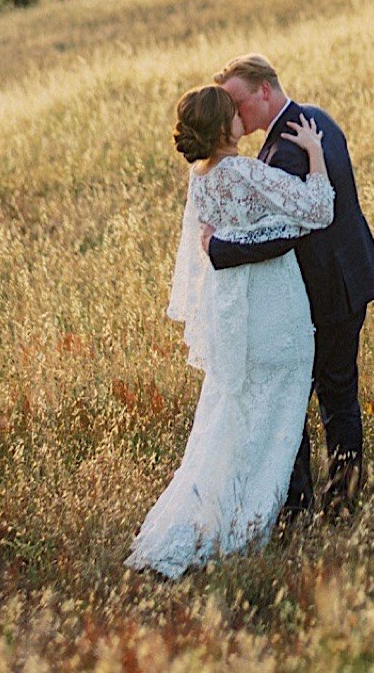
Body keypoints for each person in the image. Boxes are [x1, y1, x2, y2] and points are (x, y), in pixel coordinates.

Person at [126, 84, 334, 579]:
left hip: (232, 312)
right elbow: (318, 208)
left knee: (232, 416)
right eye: (234, 112)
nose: (243, 116)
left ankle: (196, 517)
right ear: (225, 126)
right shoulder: (241, 170)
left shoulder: (200, 180)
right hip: (271, 304)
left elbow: (221, 242)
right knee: (277, 406)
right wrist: (315, 152)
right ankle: (249, 523)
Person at [206, 54, 374, 523]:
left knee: (313, 395)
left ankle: (309, 503)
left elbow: (283, 233)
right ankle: (330, 498)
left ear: (264, 91)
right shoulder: (313, 119)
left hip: (327, 293)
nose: (234, 115)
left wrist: (218, 249)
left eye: (238, 103)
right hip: (346, 278)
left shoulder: (288, 145)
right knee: (335, 391)